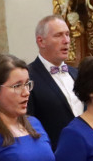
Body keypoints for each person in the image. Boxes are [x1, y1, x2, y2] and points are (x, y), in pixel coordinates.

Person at [27, 14, 83, 148]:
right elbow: (28, 122)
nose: (66, 40)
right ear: (41, 41)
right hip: (54, 153)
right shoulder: (28, 76)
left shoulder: (78, 74)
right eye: (58, 35)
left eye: (67, 34)